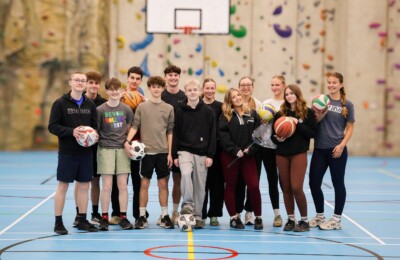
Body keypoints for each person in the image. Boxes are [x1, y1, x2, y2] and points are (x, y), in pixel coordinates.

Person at [48, 72, 99, 235]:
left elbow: (94, 126)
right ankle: (58, 222)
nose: (79, 83)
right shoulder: (60, 103)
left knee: (84, 186)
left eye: (82, 81)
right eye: (76, 80)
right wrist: (72, 132)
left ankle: (82, 219)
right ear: (70, 82)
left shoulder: (90, 104)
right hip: (67, 153)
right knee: (63, 186)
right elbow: (53, 126)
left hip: (86, 153)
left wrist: (94, 135)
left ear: (85, 85)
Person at [124, 76, 175, 229]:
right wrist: (127, 141)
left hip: (162, 152)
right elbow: (135, 125)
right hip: (146, 152)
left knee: (163, 183)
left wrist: (170, 153)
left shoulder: (169, 108)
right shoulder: (142, 107)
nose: (156, 89)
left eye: (159, 86)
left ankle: (165, 215)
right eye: (153, 86)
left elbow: (170, 131)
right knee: (144, 183)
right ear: (150, 88)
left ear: (162, 89)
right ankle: (141, 216)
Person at [309, 72, 355, 230]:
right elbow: (313, 122)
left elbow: (350, 128)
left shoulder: (347, 105)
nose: (331, 85)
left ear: (341, 85)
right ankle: (320, 215)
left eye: (334, 82)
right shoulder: (320, 100)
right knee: (313, 183)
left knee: (338, 183)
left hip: (337, 149)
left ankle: (336, 219)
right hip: (319, 148)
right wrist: (317, 110)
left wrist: (342, 145)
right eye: (329, 82)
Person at [271, 84, 317, 232]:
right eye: (287, 94)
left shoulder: (307, 113)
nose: (289, 96)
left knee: (296, 187)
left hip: (299, 153)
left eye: (292, 93)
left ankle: (304, 221)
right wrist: (278, 138)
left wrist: (298, 123)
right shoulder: (280, 114)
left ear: (297, 95)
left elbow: (312, 133)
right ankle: (291, 219)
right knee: (286, 188)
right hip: (282, 154)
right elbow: (273, 136)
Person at [173, 79, 216, 229]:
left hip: (202, 153)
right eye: (189, 90)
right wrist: (174, 155)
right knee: (185, 174)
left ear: (199, 91)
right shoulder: (179, 110)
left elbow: (212, 134)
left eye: (195, 90)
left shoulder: (208, 111)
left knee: (200, 185)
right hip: (184, 151)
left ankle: (197, 216)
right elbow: (176, 133)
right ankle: (188, 205)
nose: (192, 92)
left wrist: (210, 155)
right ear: (186, 92)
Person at [219, 88, 263, 230]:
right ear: (229, 100)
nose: (237, 98)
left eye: (238, 95)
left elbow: (258, 136)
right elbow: (223, 137)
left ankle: (258, 217)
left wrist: (251, 149)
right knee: (231, 186)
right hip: (230, 156)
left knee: (254, 186)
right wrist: (235, 150)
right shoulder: (225, 116)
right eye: (233, 96)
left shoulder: (253, 113)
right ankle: (234, 218)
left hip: (248, 156)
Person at [110, 66, 148, 225]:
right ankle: (117, 212)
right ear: (127, 79)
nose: (134, 81)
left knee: (136, 180)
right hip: (120, 144)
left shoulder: (143, 98)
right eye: (132, 78)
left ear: (141, 81)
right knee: (118, 181)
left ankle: (139, 213)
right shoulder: (119, 96)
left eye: (137, 79)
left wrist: (145, 102)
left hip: (137, 145)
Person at [96, 78, 134, 231]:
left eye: (116, 88)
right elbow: (97, 130)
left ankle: (123, 217)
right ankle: (104, 217)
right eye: (110, 89)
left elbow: (130, 126)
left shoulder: (126, 109)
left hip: (122, 150)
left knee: (123, 185)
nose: (114, 91)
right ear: (107, 91)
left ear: (121, 90)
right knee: (106, 186)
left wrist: (126, 141)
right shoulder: (100, 110)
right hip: (106, 149)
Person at [73, 71, 107, 226]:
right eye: (91, 82)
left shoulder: (104, 102)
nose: (94, 86)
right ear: (86, 84)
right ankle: (78, 214)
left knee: (95, 181)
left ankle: (94, 213)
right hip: (81, 148)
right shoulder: (80, 101)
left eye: (96, 83)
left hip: (99, 148)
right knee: (80, 182)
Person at [258, 75, 286, 227]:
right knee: (272, 181)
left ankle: (291, 215)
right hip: (267, 147)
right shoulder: (266, 104)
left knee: (285, 183)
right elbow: (261, 127)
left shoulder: (287, 104)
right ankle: (277, 214)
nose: (274, 88)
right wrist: (262, 121)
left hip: (283, 149)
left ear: (283, 85)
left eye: (277, 85)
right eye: (272, 85)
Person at [161, 65, 187, 224]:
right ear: (165, 77)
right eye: (170, 75)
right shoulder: (160, 95)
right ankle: (163, 214)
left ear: (179, 77)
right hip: (161, 144)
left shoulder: (184, 97)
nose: (173, 78)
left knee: (178, 180)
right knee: (162, 181)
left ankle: (175, 212)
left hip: (179, 145)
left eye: (175, 75)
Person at [236, 76, 262, 225]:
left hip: (253, 150)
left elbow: (261, 129)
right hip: (238, 150)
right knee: (239, 182)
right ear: (239, 87)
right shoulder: (235, 103)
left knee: (253, 183)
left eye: (248, 85)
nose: (246, 87)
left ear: (252, 87)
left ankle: (249, 212)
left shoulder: (259, 105)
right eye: (243, 85)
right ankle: (238, 211)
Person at [201, 78, 224, 227]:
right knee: (201, 184)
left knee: (217, 184)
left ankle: (214, 214)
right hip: (201, 149)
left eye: (212, 88)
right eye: (207, 88)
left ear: (215, 89)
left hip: (218, 150)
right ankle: (201, 214)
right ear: (203, 89)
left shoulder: (221, 107)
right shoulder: (197, 105)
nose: (209, 91)